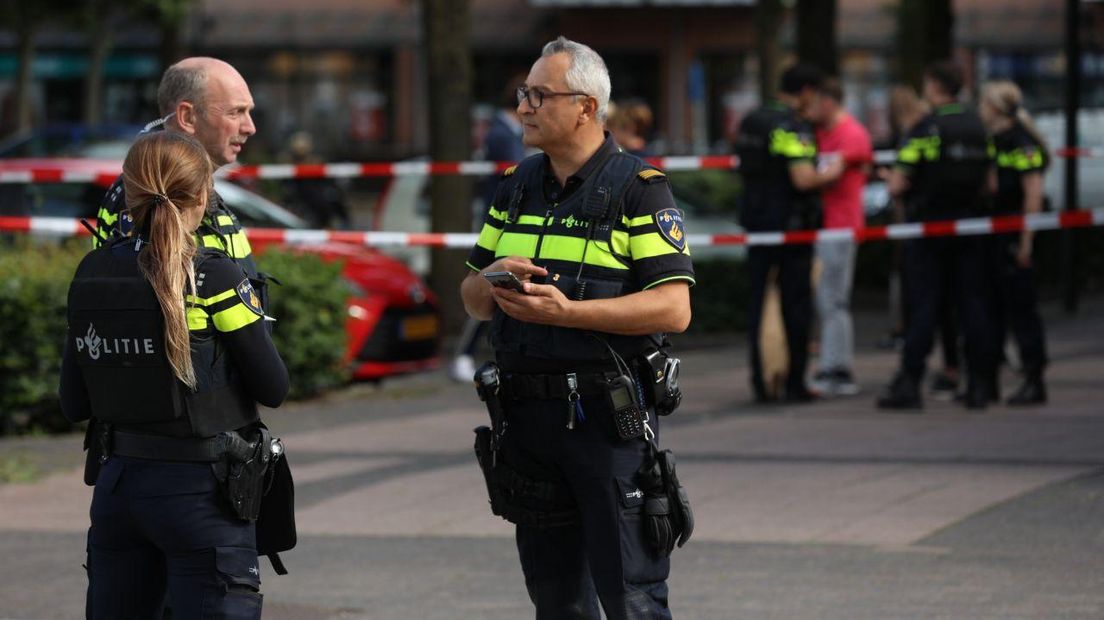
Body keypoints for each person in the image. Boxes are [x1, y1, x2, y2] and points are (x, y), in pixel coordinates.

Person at [461, 37, 694, 619]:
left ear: (586, 107)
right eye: (524, 95)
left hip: (606, 423)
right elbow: (470, 301)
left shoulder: (639, 189)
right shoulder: (514, 185)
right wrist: (491, 277)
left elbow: (673, 309)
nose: (524, 108)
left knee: (630, 595)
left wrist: (568, 313)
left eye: (539, 95)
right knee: (556, 599)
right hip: (527, 423)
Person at [59, 131, 290, 619]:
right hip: (202, 493)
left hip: (118, 489)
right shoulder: (215, 277)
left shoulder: (91, 273)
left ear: (128, 192)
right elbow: (274, 388)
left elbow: (74, 403)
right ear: (203, 195)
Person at [877, 61, 994, 410]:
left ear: (934, 85)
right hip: (971, 227)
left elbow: (900, 182)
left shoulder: (927, 128)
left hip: (929, 228)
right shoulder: (977, 127)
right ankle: (979, 385)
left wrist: (889, 179)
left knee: (923, 307)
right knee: (972, 305)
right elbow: (990, 183)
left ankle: (910, 383)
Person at [734, 63, 845, 403]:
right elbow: (803, 179)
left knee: (757, 305)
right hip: (791, 228)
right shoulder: (792, 127)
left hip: (756, 224)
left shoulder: (751, 120)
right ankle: (795, 382)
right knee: (795, 306)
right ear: (807, 92)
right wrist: (831, 171)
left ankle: (761, 381)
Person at [95, 57, 259, 285]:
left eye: (248, 112)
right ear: (187, 116)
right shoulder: (151, 191)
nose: (249, 127)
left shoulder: (177, 185)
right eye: (235, 112)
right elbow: (144, 303)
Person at [451, 75, 529, 382]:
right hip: (500, 227)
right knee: (489, 286)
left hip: (507, 224)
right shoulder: (503, 135)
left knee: (500, 288)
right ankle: (463, 354)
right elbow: (516, 177)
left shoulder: (505, 131)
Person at [979, 80, 1049, 405]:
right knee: (990, 309)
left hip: (1014, 233)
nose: (980, 109)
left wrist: (1026, 241)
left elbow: (1032, 196)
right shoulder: (992, 142)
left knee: (1022, 311)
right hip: (993, 234)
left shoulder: (1021, 143)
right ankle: (989, 378)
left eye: (983, 103)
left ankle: (1034, 378)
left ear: (995, 107)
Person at [807, 77, 872, 397]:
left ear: (828, 103)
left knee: (833, 301)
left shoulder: (851, 134)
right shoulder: (825, 133)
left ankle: (838, 369)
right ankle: (833, 366)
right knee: (828, 301)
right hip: (828, 226)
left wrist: (801, 178)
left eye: (815, 103)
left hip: (841, 227)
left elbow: (830, 174)